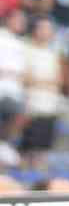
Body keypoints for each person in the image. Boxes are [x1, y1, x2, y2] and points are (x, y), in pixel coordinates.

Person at [20, 17, 63, 169]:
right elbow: (26, 77)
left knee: (44, 145)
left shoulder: (54, 53)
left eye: (49, 29)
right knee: (29, 147)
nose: (46, 32)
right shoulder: (26, 49)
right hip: (31, 103)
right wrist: (45, 83)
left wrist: (43, 83)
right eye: (43, 28)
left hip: (50, 104)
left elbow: (58, 80)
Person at [0, 10, 29, 149]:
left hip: (15, 90)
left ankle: (3, 142)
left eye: (23, 21)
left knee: (23, 114)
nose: (21, 23)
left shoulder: (22, 43)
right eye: (18, 20)